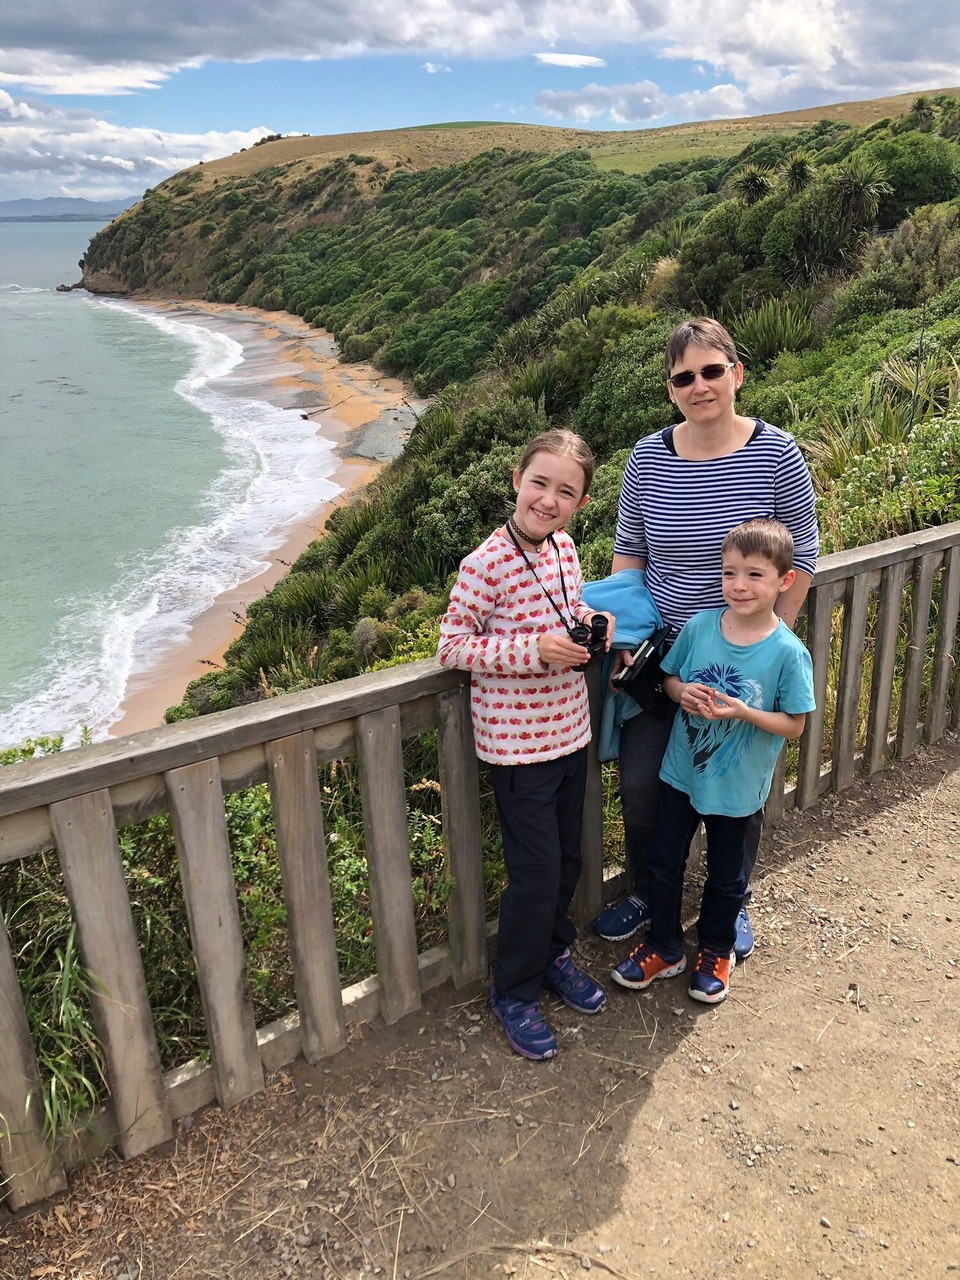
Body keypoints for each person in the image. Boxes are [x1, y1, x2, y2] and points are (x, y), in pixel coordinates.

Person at [593, 316, 819, 959]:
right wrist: (626, 640)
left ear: (736, 374)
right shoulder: (647, 457)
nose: (699, 385)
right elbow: (629, 557)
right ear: (671, 389)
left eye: (711, 371)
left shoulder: (777, 454)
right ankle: (648, 891)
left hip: (743, 659)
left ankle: (731, 902)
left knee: (735, 796)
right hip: (661, 658)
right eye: (683, 377)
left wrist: (768, 643)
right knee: (644, 786)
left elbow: (803, 557)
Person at [437, 429, 614, 1060]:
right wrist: (531, 651)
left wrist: (592, 624)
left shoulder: (565, 549)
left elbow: (568, 611)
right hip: (517, 748)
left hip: (570, 732)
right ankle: (513, 991)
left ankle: (553, 956)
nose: (548, 499)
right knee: (535, 876)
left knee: (567, 861)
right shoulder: (483, 563)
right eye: (540, 483)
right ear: (517, 480)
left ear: (581, 503)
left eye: (566, 491)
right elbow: (452, 646)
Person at [611, 519, 816, 1003]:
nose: (739, 586)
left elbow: (795, 723)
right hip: (680, 772)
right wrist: (682, 693)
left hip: (739, 787)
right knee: (662, 862)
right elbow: (667, 679)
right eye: (729, 574)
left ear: (784, 580)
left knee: (729, 876)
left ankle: (716, 949)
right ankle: (664, 946)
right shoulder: (701, 626)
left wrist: (744, 711)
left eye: (754, 575)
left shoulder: (788, 651)